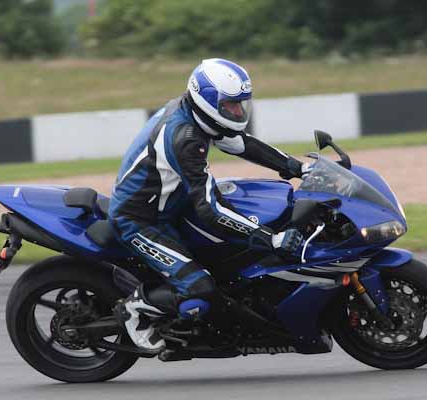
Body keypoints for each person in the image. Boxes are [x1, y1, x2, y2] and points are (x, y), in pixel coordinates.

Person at [109, 58, 310, 352]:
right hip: (138, 220)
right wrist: (271, 239)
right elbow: (211, 211)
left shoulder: (195, 115)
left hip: (171, 206)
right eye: (230, 105)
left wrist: (297, 167)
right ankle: (134, 308)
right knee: (200, 289)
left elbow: (242, 144)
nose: (238, 112)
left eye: (241, 104)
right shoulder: (185, 138)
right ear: (208, 101)